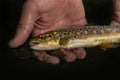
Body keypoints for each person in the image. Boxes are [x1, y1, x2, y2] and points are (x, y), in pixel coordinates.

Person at [9, 0, 120, 64]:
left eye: (42, 38)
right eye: (42, 38)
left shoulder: (62, 40)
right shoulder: (61, 39)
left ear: (56, 38)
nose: (38, 40)